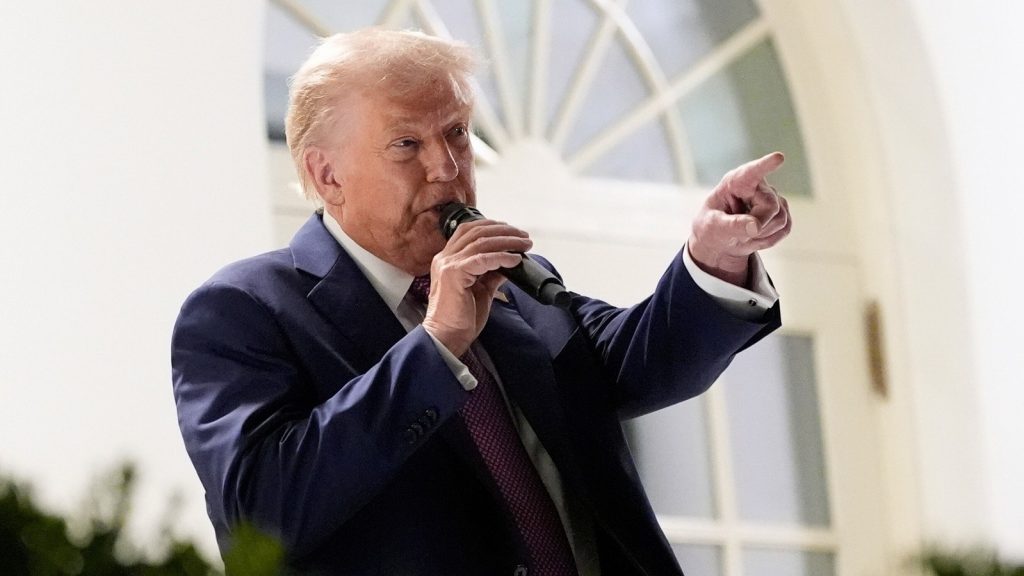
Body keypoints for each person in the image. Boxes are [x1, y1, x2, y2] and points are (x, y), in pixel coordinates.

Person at [171, 28, 790, 576]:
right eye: (406, 144)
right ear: (327, 175)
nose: (446, 167)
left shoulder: (514, 284)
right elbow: (261, 518)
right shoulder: (242, 311)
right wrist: (436, 345)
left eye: (457, 133)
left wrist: (714, 259)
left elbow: (643, 362)